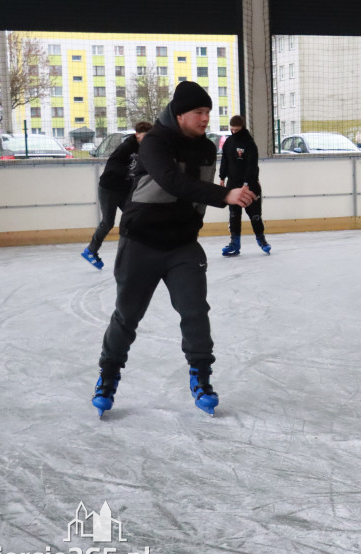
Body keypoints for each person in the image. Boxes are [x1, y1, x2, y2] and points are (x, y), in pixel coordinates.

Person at [90, 81, 257, 418]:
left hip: (182, 245)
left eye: (208, 112)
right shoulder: (155, 141)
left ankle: (201, 378)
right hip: (141, 242)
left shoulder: (209, 149)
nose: (205, 118)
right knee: (127, 316)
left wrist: (230, 195)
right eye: (199, 112)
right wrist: (223, 195)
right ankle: (108, 377)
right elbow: (170, 181)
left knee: (195, 311)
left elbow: (195, 194)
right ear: (180, 114)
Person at [81, 121, 152, 269]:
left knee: (134, 217)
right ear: (137, 135)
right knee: (108, 222)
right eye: (144, 137)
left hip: (124, 189)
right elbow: (112, 165)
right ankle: (91, 250)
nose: (147, 140)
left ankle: (135, 251)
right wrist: (129, 173)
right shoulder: (126, 147)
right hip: (109, 188)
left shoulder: (146, 148)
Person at [218, 114, 269, 255]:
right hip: (233, 185)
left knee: (255, 215)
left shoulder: (249, 144)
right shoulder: (229, 142)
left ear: (242, 128)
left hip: (249, 185)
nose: (234, 132)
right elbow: (225, 161)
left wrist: (247, 183)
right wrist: (222, 177)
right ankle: (235, 243)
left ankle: (262, 240)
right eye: (232, 130)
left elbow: (252, 166)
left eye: (236, 130)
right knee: (234, 215)